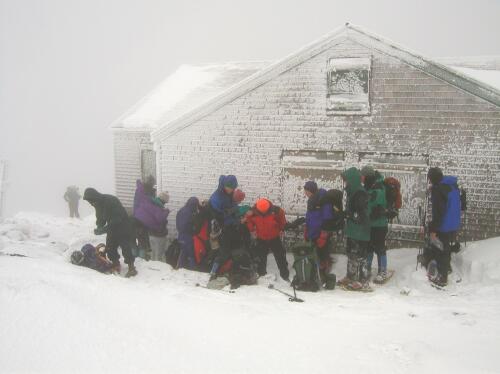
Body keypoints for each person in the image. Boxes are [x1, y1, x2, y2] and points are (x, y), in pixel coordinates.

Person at [83, 188, 138, 278]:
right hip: (112, 228)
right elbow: (100, 218)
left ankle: (131, 268)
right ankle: (116, 263)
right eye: (89, 201)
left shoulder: (111, 200)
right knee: (110, 246)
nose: (90, 203)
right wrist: (99, 226)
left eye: (90, 200)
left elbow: (117, 219)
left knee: (125, 246)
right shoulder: (97, 204)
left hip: (123, 226)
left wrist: (104, 229)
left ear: (94, 197)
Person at [426, 167, 461, 286]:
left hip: (444, 224)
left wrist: (433, 228)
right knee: (445, 248)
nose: (429, 181)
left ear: (433, 178)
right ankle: (447, 268)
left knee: (440, 249)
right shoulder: (452, 185)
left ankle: (442, 277)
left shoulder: (438, 190)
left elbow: (439, 212)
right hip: (454, 222)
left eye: (430, 179)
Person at [339, 167, 371, 290]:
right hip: (353, 230)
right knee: (351, 254)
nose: (345, 183)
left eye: (346, 180)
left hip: (361, 231)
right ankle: (350, 277)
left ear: (352, 180)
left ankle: (363, 281)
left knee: (361, 256)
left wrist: (348, 215)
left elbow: (361, 214)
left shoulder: (359, 193)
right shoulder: (352, 191)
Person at [246, 198, 289, 281]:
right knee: (261, 257)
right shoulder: (253, 212)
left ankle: (285, 275)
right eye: (261, 212)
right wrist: (252, 230)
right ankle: (261, 274)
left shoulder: (276, 211)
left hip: (274, 237)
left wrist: (282, 228)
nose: (263, 213)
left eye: (265, 211)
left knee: (280, 256)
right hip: (261, 238)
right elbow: (248, 220)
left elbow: (282, 220)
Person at [208, 175, 240, 280]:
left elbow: (232, 205)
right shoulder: (217, 197)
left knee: (233, 248)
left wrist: (235, 213)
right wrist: (230, 212)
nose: (230, 190)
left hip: (230, 225)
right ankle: (213, 272)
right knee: (223, 251)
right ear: (224, 185)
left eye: (232, 188)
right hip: (221, 227)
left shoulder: (228, 194)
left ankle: (228, 270)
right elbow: (218, 216)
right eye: (229, 187)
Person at [361, 166, 389, 283]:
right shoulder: (369, 186)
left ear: (367, 176)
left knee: (380, 247)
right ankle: (367, 268)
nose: (361, 178)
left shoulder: (377, 188)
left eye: (362, 176)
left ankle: (382, 271)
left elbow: (374, 204)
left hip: (379, 224)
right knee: (369, 247)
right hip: (370, 224)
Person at [303, 181, 334, 280]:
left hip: (321, 233)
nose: (305, 193)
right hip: (312, 232)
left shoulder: (324, 200)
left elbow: (327, 218)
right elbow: (309, 216)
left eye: (306, 190)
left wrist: (323, 235)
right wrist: (306, 229)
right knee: (314, 254)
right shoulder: (311, 200)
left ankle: (324, 275)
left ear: (311, 190)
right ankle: (314, 274)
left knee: (323, 254)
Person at [133, 179, 170, 261]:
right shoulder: (158, 206)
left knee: (146, 246)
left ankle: (141, 259)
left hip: (141, 224)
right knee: (155, 251)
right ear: (164, 201)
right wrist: (166, 212)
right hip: (154, 232)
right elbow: (160, 219)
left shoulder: (150, 200)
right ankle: (144, 260)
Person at [176, 197, 200, 269]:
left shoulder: (183, 210)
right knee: (190, 252)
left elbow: (179, 225)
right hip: (186, 235)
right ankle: (191, 267)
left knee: (183, 251)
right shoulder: (188, 212)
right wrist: (193, 230)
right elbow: (184, 225)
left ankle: (180, 267)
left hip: (182, 235)